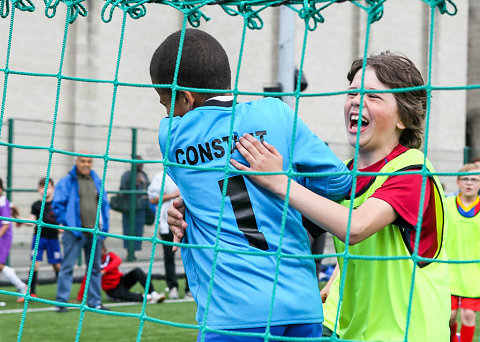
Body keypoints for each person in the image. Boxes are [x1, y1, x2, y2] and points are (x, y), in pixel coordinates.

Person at [227, 52, 450, 341]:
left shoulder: (412, 171)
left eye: (373, 96)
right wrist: (198, 208)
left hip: (411, 335)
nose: (357, 101)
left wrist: (281, 182)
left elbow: (356, 227)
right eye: (352, 93)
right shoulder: (342, 176)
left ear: (404, 119)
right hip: (352, 334)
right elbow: (285, 231)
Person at [151, 29, 352, 341]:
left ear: (186, 99)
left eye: (166, 103)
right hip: (301, 302)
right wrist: (286, 178)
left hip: (233, 312)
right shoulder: (276, 113)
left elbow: (202, 186)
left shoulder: (172, 136)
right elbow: (339, 182)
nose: (166, 113)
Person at [52, 153, 110, 312]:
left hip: (94, 232)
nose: (86, 164)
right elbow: (57, 205)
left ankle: (95, 302)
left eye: (89, 161)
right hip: (74, 233)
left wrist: (104, 228)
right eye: (82, 161)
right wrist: (69, 223)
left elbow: (104, 205)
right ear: (76, 162)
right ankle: (62, 302)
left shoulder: (97, 181)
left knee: (94, 269)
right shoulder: (67, 182)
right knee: (67, 267)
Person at [445, 163, 480, 342]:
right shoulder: (446, 204)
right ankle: (453, 338)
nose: (469, 183)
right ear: (457, 182)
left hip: (474, 274)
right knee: (449, 316)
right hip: (448, 270)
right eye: (465, 179)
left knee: (468, 315)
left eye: (474, 180)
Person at [77, 242, 166, 303]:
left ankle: (153, 293)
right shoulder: (94, 263)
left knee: (137, 271)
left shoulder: (110, 256)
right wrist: (80, 297)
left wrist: (105, 270)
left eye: (101, 249)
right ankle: (146, 297)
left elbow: (118, 261)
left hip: (121, 281)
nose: (99, 251)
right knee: (128, 297)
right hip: (112, 290)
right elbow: (86, 279)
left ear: (104, 250)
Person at [147, 172, 189, 300]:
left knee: (190, 255)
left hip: (187, 222)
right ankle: (172, 287)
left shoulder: (187, 172)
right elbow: (153, 199)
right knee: (169, 256)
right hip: (167, 223)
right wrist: (174, 195)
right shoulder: (160, 177)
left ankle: (190, 289)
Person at [27, 177, 62, 297]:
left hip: (53, 238)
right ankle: (31, 292)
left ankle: (62, 292)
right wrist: (23, 220)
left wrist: (62, 228)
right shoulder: (36, 205)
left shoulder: (57, 205)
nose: (45, 190)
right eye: (42, 187)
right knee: (34, 263)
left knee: (57, 265)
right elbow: (31, 220)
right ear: (39, 189)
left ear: (53, 189)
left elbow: (61, 224)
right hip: (39, 238)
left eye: (48, 187)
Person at [0, 177, 27, 303]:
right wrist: (16, 214)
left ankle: (22, 287)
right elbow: (13, 206)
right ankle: (20, 285)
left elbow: (5, 224)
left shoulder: (2, 202)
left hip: (3, 237)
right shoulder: (5, 201)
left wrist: (17, 218)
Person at [120, 156, 149, 258]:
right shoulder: (127, 175)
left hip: (141, 207)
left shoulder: (144, 175)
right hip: (130, 208)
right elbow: (122, 189)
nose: (141, 164)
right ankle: (129, 252)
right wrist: (135, 184)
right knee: (128, 229)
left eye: (142, 162)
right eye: (138, 162)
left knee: (138, 230)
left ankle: (135, 251)